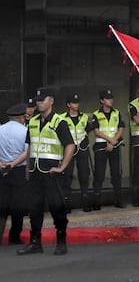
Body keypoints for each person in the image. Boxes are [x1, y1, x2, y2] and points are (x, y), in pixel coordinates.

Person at [18, 87, 76, 256]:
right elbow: (30, 147)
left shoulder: (59, 122)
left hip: (51, 172)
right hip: (35, 172)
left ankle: (61, 242)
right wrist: (28, 168)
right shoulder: (33, 121)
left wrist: (62, 167)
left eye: (43, 100)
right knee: (34, 208)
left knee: (57, 207)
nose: (39, 103)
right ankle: (35, 242)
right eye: (38, 100)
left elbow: (70, 145)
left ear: (51, 101)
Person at [91, 89, 126, 210]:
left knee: (116, 174)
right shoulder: (96, 114)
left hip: (114, 146)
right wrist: (109, 140)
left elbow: (121, 128)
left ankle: (118, 200)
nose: (110, 100)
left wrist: (113, 140)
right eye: (107, 98)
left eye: (111, 98)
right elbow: (96, 131)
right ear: (102, 100)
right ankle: (96, 202)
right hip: (101, 146)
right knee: (99, 175)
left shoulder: (117, 113)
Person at [0, 103, 29, 245]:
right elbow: (27, 153)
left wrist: (2, 164)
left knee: (2, 204)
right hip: (18, 171)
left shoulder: (0, 129)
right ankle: (14, 237)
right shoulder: (24, 131)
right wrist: (14, 163)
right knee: (18, 204)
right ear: (20, 118)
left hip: (2, 170)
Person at [59, 94, 93, 213]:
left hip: (82, 149)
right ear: (68, 104)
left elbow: (88, 130)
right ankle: (66, 202)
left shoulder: (84, 117)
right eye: (74, 102)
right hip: (68, 150)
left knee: (84, 175)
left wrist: (84, 142)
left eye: (77, 102)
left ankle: (85, 201)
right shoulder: (62, 118)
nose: (77, 104)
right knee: (67, 175)